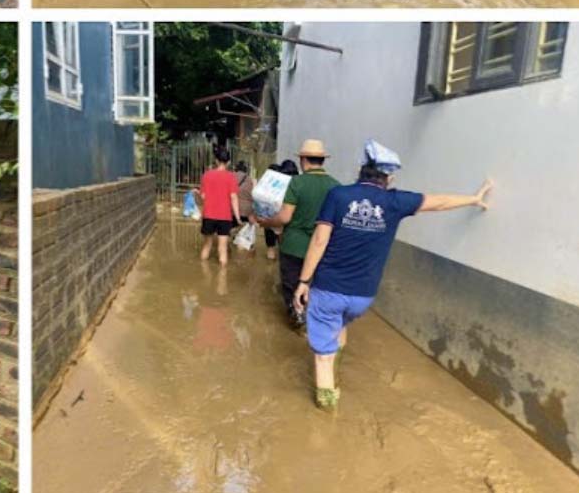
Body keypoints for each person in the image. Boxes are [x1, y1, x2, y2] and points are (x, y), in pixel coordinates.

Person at [293, 141, 493, 411]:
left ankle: (327, 412)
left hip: (329, 289)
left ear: (362, 169)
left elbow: (319, 240)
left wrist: (304, 282)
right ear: (389, 177)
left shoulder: (338, 196)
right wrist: (474, 198)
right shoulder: (396, 201)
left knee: (322, 357)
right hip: (363, 296)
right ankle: (337, 374)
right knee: (341, 325)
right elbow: (439, 202)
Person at [256, 142, 335, 325]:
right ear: (322, 160)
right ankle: (314, 324)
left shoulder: (296, 183)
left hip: (293, 246)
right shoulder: (335, 186)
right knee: (314, 288)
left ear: (303, 159)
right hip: (322, 248)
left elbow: (284, 217)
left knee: (293, 287)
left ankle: (297, 323)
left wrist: (266, 222)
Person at [195, 147, 242, 265]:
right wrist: (237, 217)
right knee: (222, 249)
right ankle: (222, 281)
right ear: (229, 162)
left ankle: (202, 274)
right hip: (225, 217)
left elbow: (203, 197)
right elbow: (233, 197)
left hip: (209, 215)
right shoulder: (231, 177)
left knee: (207, 246)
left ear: (216, 160)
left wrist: (201, 212)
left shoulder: (207, 175)